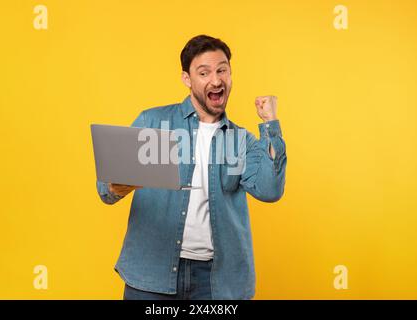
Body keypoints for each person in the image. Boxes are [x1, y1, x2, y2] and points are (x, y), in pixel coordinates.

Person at [96, 34, 287, 300]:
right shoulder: (153, 122)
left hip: (216, 282)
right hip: (152, 275)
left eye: (222, 70)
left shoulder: (240, 140)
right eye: (204, 72)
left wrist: (270, 125)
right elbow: (105, 190)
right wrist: (117, 185)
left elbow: (270, 190)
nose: (216, 80)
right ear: (187, 79)